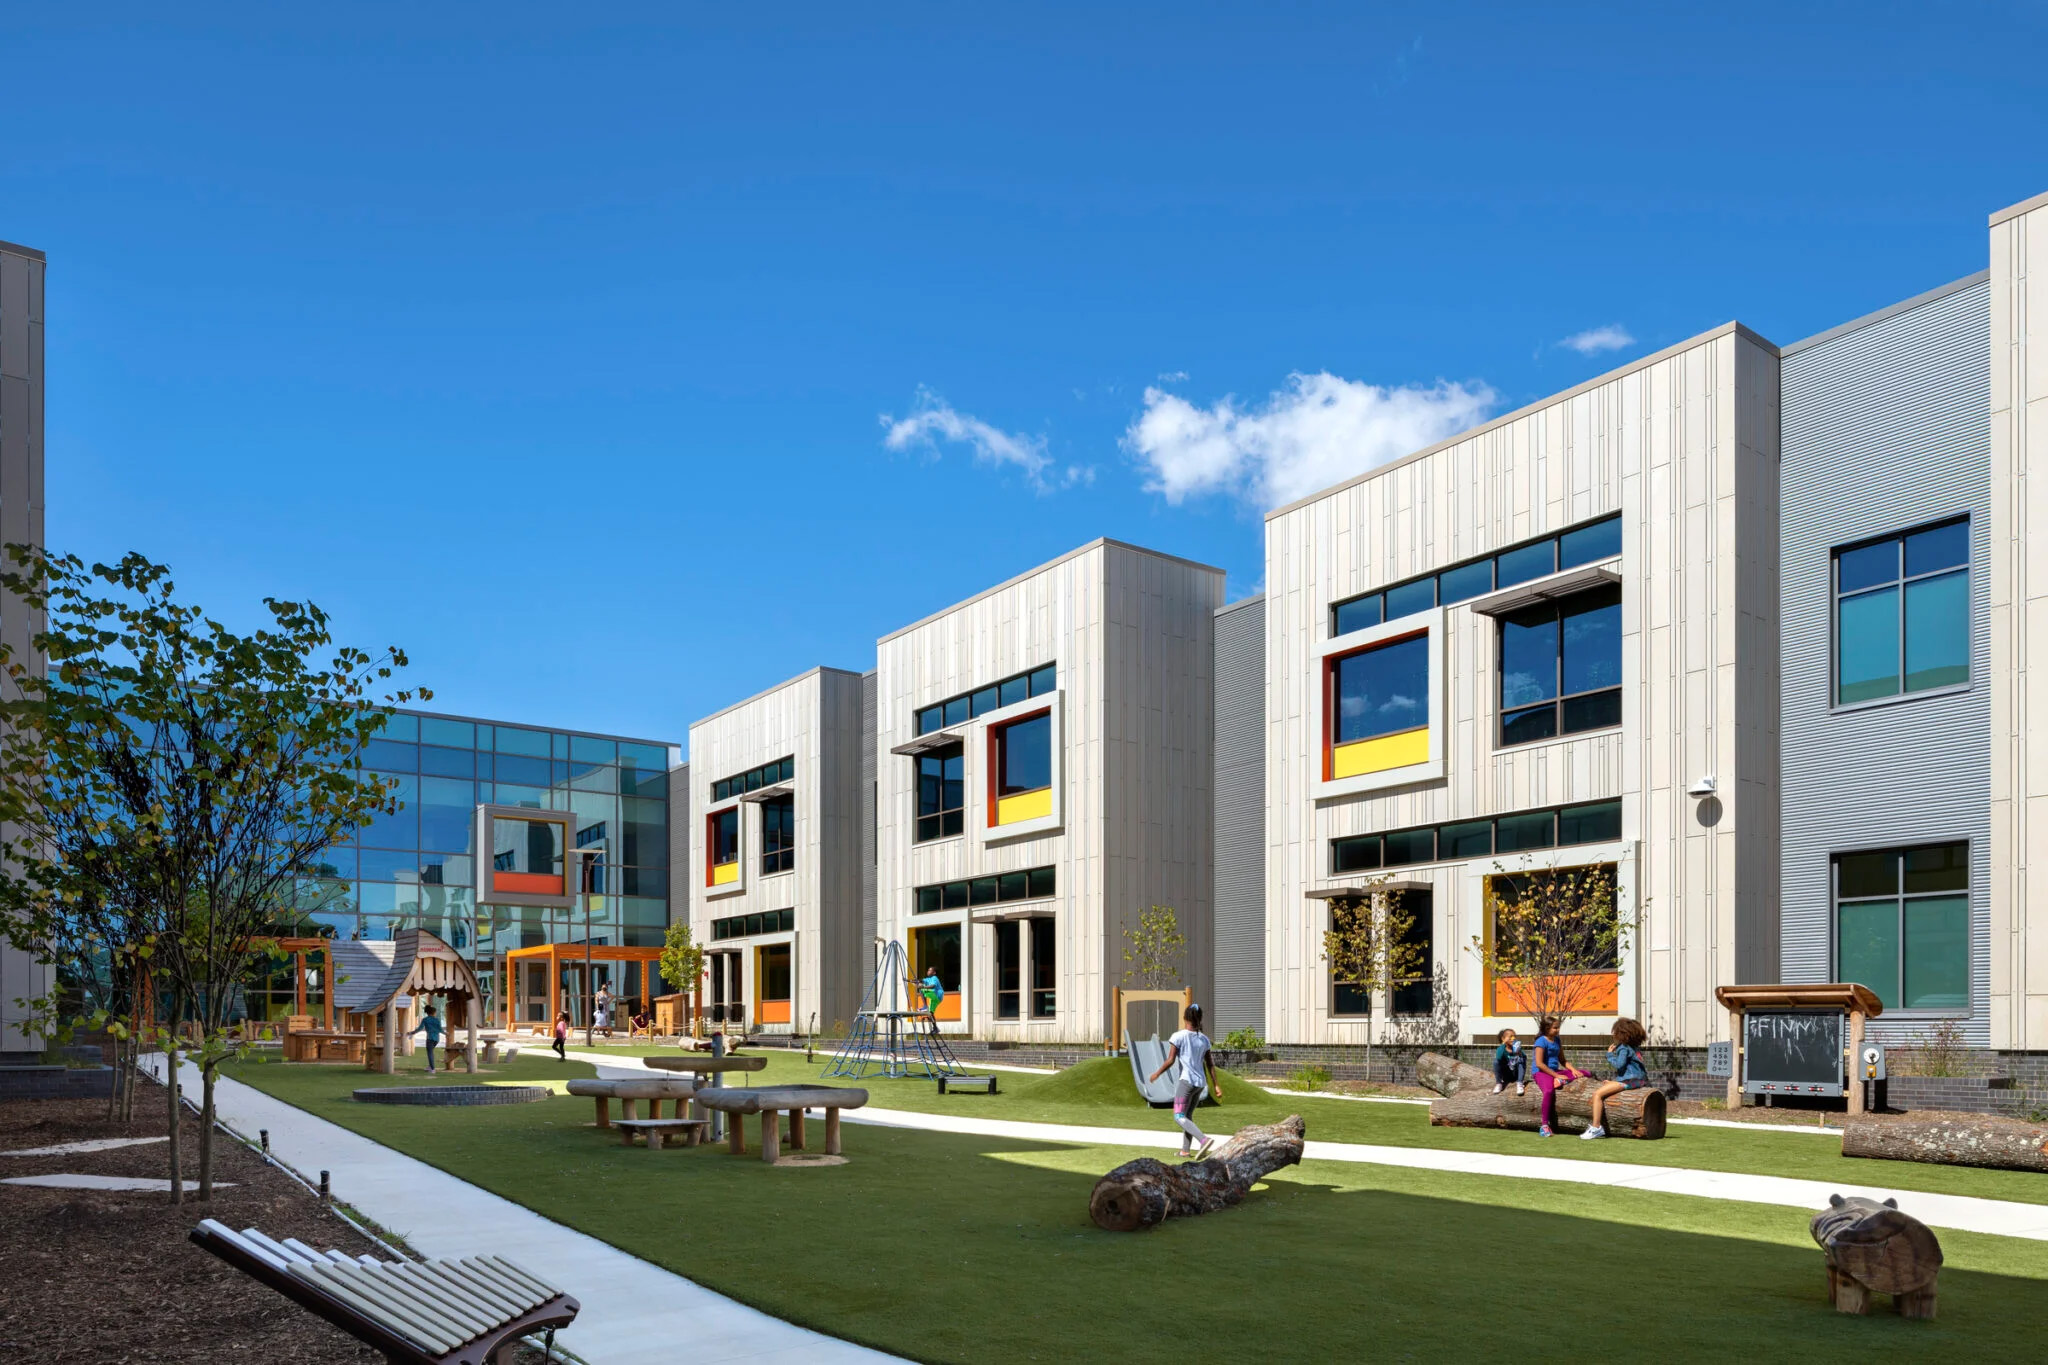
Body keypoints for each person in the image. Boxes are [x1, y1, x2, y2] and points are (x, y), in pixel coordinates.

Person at [1146, 1002, 1224, 1160]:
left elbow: (1170, 1060)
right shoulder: (1204, 1040)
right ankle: (1185, 1151)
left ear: (1184, 1018)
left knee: (1179, 1116)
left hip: (1186, 1082)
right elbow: (1210, 1064)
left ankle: (1204, 1140)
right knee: (1187, 1116)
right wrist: (1216, 1085)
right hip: (1200, 1084)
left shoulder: (1178, 1036)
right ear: (1200, 1019)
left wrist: (1156, 1074)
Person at [1581, 1017, 1651, 1140]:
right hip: (1638, 1081)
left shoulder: (1623, 1047)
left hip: (1629, 1081)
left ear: (1623, 1034)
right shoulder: (1634, 1047)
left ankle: (1596, 1127)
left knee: (1597, 1094)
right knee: (1606, 1085)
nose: (1613, 1034)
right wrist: (1615, 1082)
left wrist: (1609, 1055)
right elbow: (1630, 1068)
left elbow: (1619, 1064)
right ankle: (1596, 1126)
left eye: (1616, 1032)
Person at [1530, 1016, 1588, 1138]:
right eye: (1555, 1027)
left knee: (1585, 1073)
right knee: (1549, 1091)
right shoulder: (1541, 1041)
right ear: (1547, 1028)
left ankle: (1561, 1081)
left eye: (1558, 1027)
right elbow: (1539, 1064)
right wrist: (1556, 1075)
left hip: (1555, 1072)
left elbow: (1563, 1060)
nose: (1558, 1030)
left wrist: (1573, 1070)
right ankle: (1544, 1125)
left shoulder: (1557, 1040)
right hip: (1541, 1072)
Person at [1491, 1026, 1528, 1096]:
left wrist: (1519, 1052)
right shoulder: (1501, 1049)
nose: (1513, 1038)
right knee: (1496, 1061)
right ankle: (1499, 1083)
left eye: (1514, 1036)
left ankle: (1520, 1083)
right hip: (1506, 1075)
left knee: (1521, 1059)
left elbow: (1524, 1059)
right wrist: (1503, 1045)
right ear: (1503, 1039)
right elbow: (1498, 1058)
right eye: (1510, 1037)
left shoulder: (1517, 1047)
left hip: (1516, 1074)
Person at [411, 1004, 444, 1074]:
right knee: (431, 1052)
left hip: (429, 1039)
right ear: (433, 1013)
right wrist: (446, 1034)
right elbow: (440, 1029)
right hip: (437, 1039)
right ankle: (430, 1066)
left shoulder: (425, 1020)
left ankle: (432, 1069)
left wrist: (412, 1033)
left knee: (430, 1053)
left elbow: (420, 1028)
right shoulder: (436, 1020)